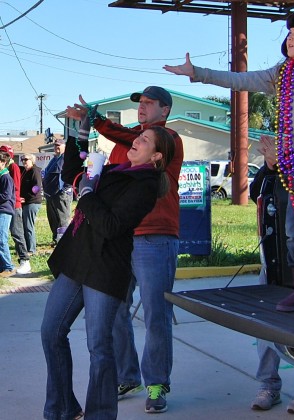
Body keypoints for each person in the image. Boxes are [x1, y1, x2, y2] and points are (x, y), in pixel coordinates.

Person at [164, 7, 294, 317]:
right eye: (289, 32)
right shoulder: (282, 74)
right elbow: (241, 79)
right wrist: (198, 73)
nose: (290, 38)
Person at [41, 107, 176, 420]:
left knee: (99, 346)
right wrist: (78, 134)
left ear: (156, 156)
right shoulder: (116, 170)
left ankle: (99, 415)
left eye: (144, 140)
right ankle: (61, 409)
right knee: (51, 332)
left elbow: (113, 225)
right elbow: (73, 172)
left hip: (104, 268)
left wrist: (87, 195)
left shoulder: (145, 185)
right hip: (77, 259)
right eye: (139, 137)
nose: (136, 141)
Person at [249, 135, 294, 414]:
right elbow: (256, 192)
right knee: (266, 327)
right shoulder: (272, 171)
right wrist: (270, 167)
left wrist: (287, 166)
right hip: (272, 259)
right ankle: (268, 384)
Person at [0, 145, 31, 274]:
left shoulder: (12, 168)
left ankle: (24, 261)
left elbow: (14, 188)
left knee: (16, 233)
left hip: (13, 205)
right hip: (9, 205)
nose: (23, 161)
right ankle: (5, 265)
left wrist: (17, 199)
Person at [43, 138, 73, 247]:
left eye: (59, 145)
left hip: (61, 194)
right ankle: (56, 239)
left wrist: (64, 189)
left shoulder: (66, 158)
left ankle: (63, 242)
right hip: (50, 194)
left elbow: (71, 174)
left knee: (62, 219)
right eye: (55, 145)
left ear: (65, 147)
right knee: (53, 218)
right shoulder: (54, 158)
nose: (56, 147)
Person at [19, 153, 42, 255]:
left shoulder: (34, 171)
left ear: (32, 160)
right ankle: (28, 247)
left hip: (32, 202)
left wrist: (26, 198)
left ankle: (32, 249)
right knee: (25, 225)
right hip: (26, 202)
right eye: (22, 159)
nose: (24, 161)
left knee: (29, 226)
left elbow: (36, 188)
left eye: (26, 160)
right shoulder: (25, 171)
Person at [0, 151, 16, 278]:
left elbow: (6, 196)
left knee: (2, 239)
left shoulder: (6, 177)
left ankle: (9, 267)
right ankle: (2, 266)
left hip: (5, 211)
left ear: (3, 163)